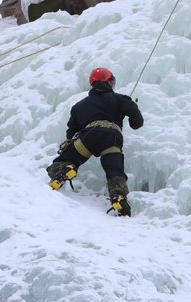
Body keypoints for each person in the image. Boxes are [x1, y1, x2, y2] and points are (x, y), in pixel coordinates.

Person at [46, 67, 143, 216]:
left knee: (62, 161)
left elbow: (71, 133)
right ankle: (119, 197)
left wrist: (71, 148)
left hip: (88, 137)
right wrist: (133, 121)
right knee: (114, 171)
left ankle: (64, 170)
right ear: (109, 82)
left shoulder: (79, 106)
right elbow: (137, 120)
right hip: (111, 137)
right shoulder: (120, 99)